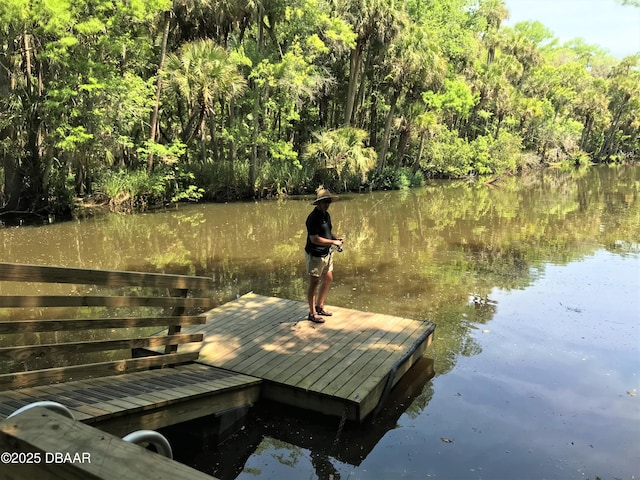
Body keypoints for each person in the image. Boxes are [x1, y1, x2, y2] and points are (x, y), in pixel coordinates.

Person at [305, 188, 343, 323]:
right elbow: (314, 239)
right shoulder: (312, 218)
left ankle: (320, 306)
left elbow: (328, 232)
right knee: (314, 283)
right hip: (315, 255)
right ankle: (312, 313)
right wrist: (333, 242)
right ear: (318, 203)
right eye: (325, 202)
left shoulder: (326, 215)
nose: (327, 204)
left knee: (328, 278)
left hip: (326, 253)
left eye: (329, 202)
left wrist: (336, 238)